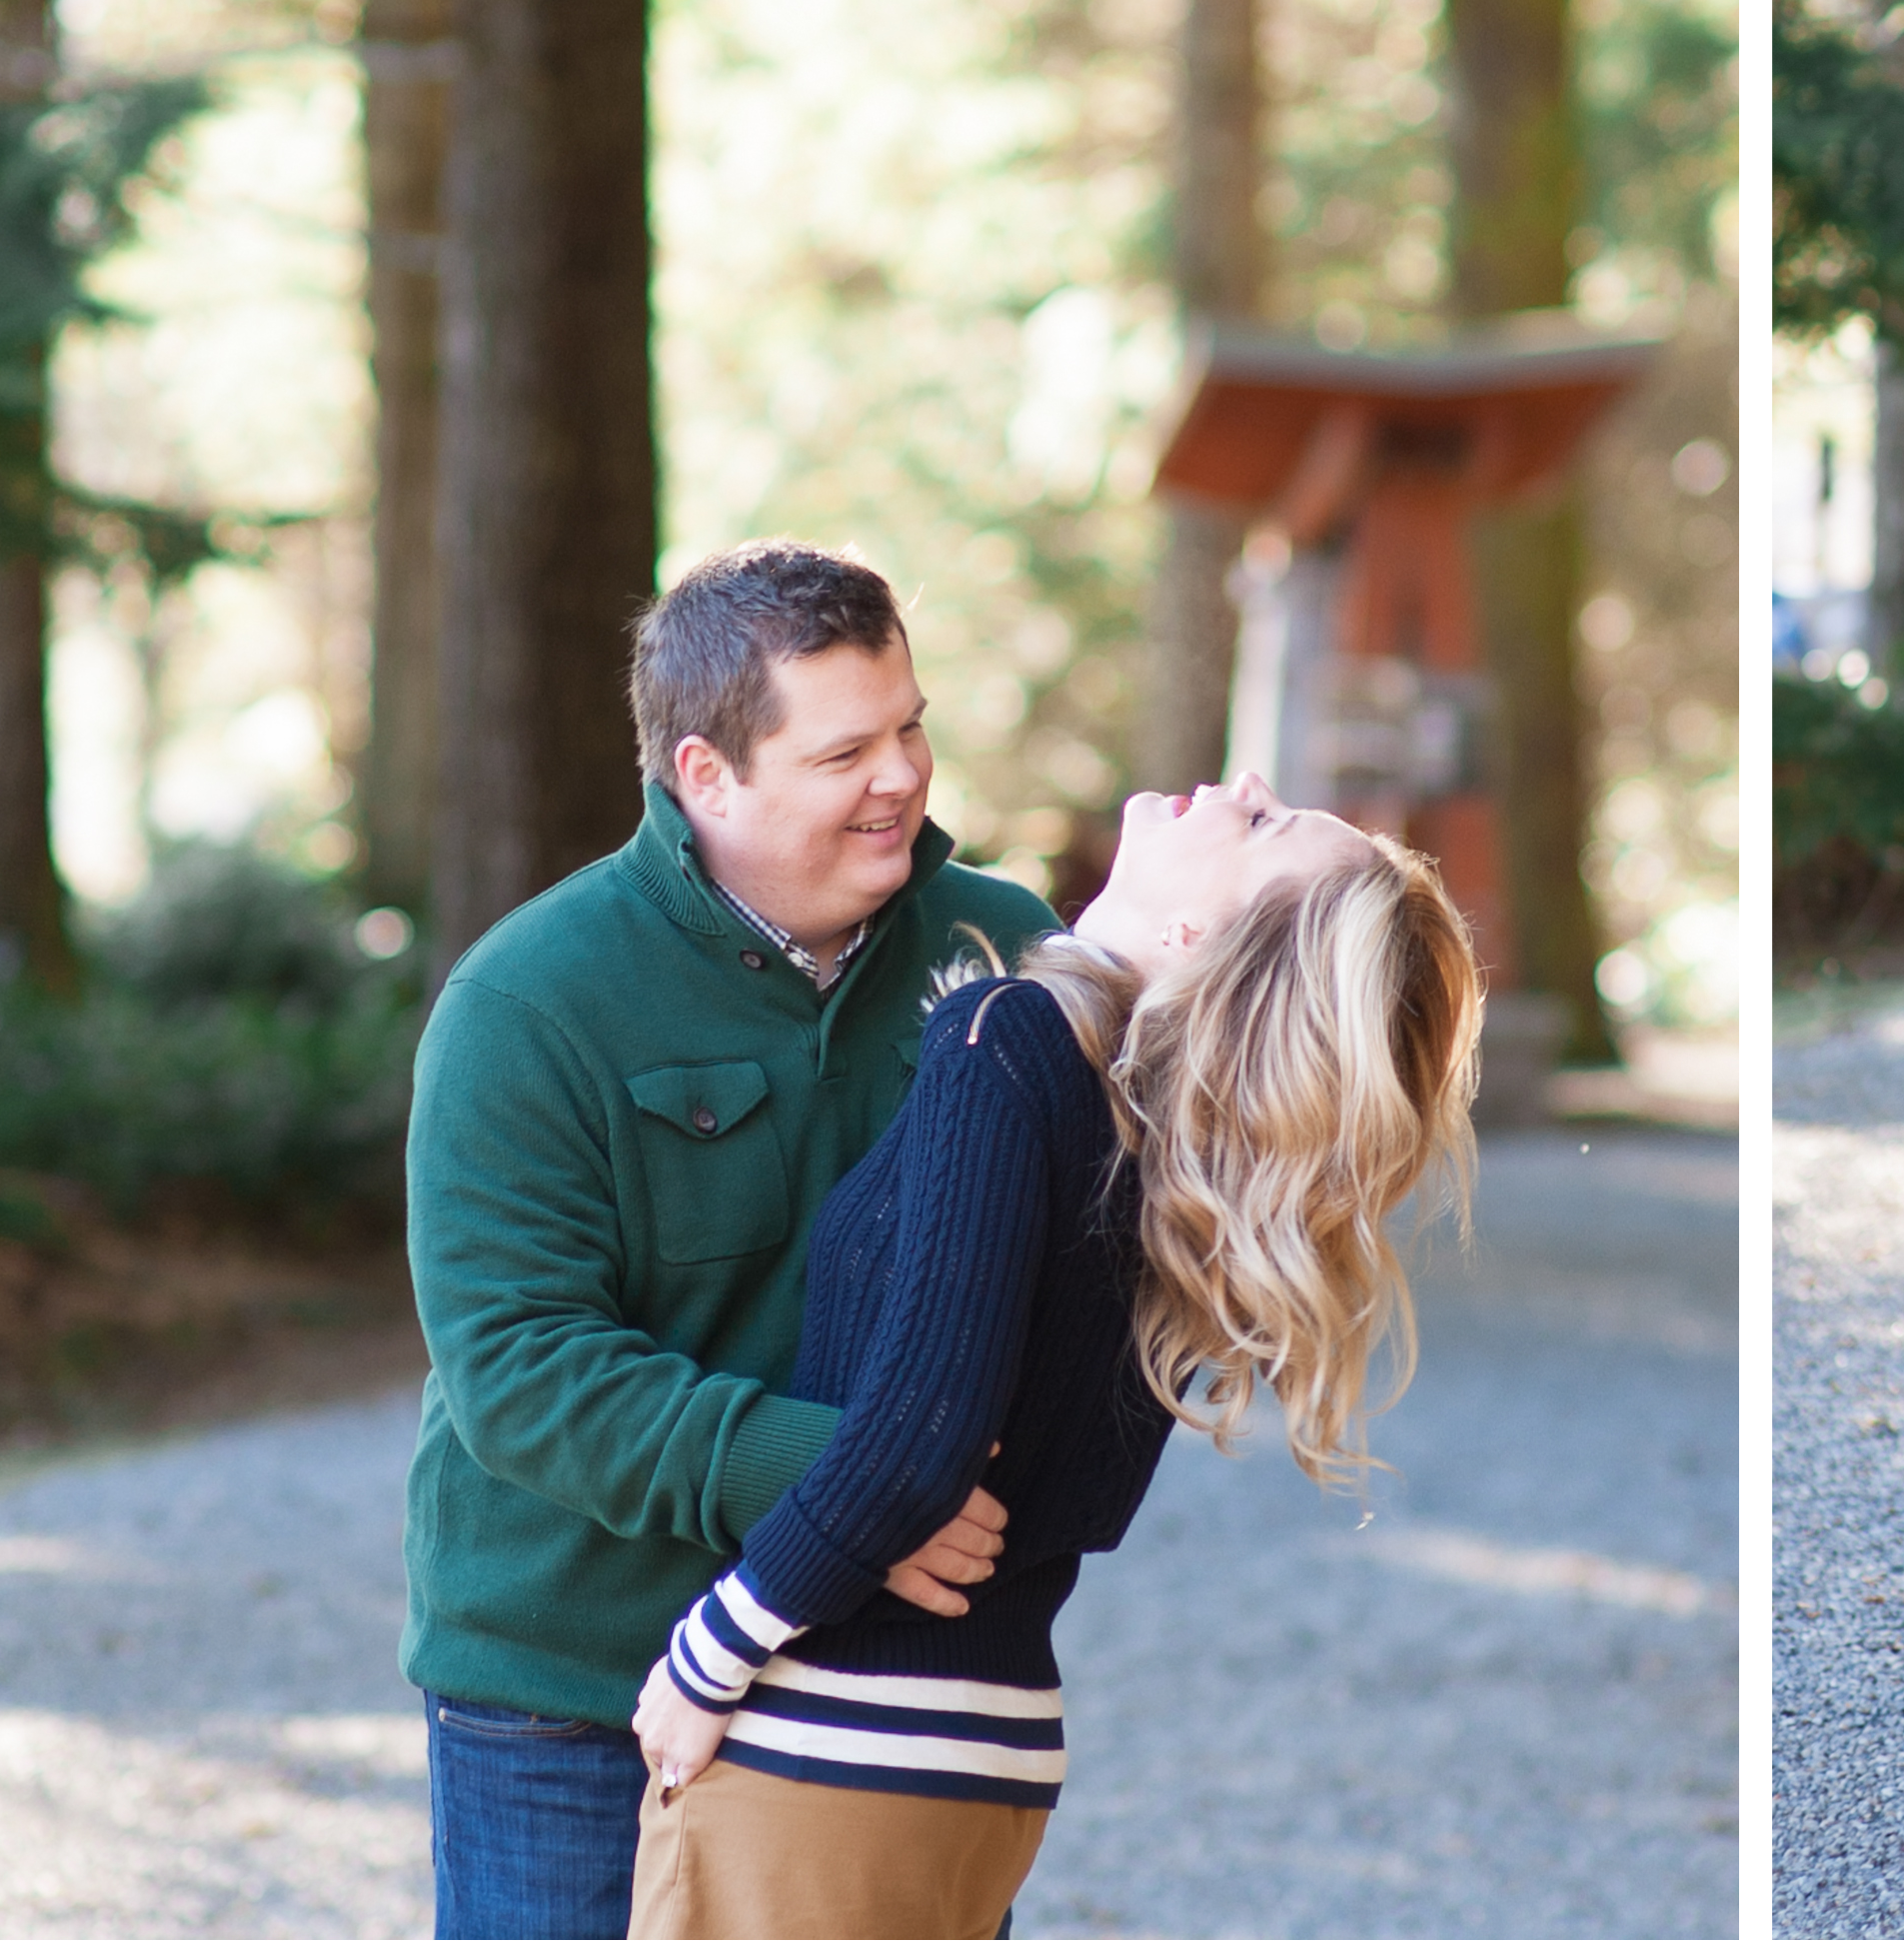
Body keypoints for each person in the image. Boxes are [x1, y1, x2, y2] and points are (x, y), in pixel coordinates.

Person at [621, 771, 1481, 1938]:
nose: (1246, 784)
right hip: (994, 1750)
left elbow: (921, 1445)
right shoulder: (1164, 1160)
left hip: (840, 1740)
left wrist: (706, 1657)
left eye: (1267, 823)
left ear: (1199, 934)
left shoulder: (1007, 1042)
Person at [404, 543, 1057, 1938]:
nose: (902, 776)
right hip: (568, 1694)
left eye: (910, 727)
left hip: (885, 1685)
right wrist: (861, 1490)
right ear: (706, 775)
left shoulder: (1008, 956)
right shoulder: (529, 1001)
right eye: (844, 754)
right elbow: (519, 1370)